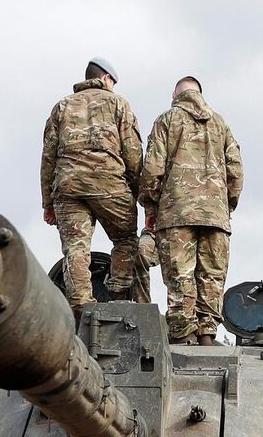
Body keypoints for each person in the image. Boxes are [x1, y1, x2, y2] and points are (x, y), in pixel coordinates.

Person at [139, 76, 243, 345]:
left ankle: (184, 334)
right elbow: (236, 169)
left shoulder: (167, 120)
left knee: (180, 275)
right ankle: (208, 333)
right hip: (215, 214)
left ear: (175, 96)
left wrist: (150, 207)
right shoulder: (221, 124)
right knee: (211, 275)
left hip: (176, 213)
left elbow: (152, 169)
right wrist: (225, 204)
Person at [40, 57, 144, 312]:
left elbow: (48, 158)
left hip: (68, 187)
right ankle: (118, 297)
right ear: (107, 78)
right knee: (125, 239)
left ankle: (80, 307)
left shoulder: (61, 106)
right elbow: (132, 152)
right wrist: (137, 191)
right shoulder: (119, 104)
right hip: (109, 184)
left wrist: (48, 203)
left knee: (75, 248)